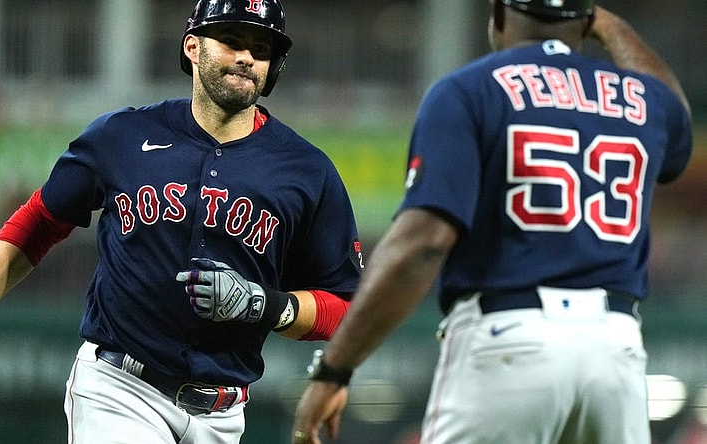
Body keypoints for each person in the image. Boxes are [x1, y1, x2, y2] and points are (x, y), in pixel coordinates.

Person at [0, 1, 363, 443]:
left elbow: (347, 307)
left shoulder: (307, 171)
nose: (246, 57)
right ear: (192, 47)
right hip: (119, 390)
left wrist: (264, 305)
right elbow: (42, 219)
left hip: (223, 411)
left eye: (261, 47)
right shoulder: (121, 136)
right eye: (232, 40)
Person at [291, 1, 692, 443]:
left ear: (499, 15)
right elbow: (676, 121)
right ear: (587, 20)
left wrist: (335, 368)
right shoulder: (642, 98)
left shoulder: (471, 88)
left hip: (509, 341)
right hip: (616, 349)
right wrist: (609, 23)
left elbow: (424, 243)